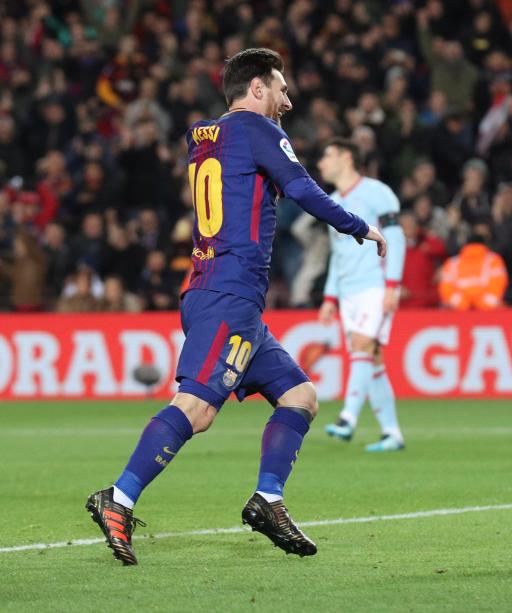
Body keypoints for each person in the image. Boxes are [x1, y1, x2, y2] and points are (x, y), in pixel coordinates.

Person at [85, 48, 386, 566]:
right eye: (281, 88)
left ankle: (268, 499)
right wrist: (360, 227)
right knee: (197, 410)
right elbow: (302, 188)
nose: (287, 100)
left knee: (300, 395)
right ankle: (120, 496)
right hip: (228, 294)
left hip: (220, 292)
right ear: (256, 88)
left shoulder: (203, 136)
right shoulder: (258, 130)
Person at [317, 137, 407, 453]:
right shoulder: (330, 200)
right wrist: (330, 297)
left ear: (346, 156)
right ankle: (392, 433)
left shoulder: (377, 193)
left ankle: (347, 418)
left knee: (361, 346)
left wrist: (393, 285)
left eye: (326, 155)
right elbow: (337, 254)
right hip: (349, 290)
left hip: (376, 284)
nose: (320, 163)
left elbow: (396, 238)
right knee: (373, 359)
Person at [438, 222, 508, 310]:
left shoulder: (452, 263)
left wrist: (462, 304)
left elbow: (446, 288)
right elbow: (498, 285)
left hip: (459, 314)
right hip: (488, 314)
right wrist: (482, 304)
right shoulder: (494, 260)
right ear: (484, 244)